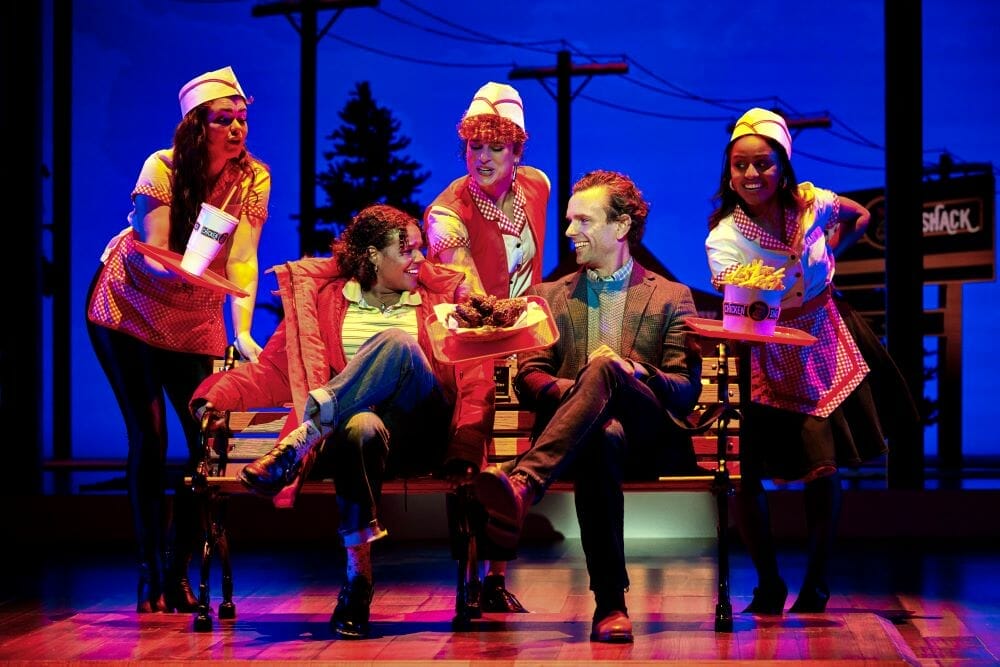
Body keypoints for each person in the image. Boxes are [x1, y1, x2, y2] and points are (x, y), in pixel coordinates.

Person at [188, 204, 495, 640]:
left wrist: (465, 448)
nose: (420, 259)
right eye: (407, 250)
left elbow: (476, 379)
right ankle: (357, 578)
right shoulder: (326, 302)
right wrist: (212, 397)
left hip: (420, 430)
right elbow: (274, 372)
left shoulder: (440, 302)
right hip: (356, 440)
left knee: (397, 343)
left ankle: (304, 436)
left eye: (421, 249)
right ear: (372, 256)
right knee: (360, 425)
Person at [473, 170, 705, 643]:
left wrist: (629, 372)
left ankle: (524, 483)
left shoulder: (671, 296)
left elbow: (685, 389)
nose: (568, 231)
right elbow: (530, 376)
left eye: (583, 220)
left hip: (649, 441)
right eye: (568, 220)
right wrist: (585, 396)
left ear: (621, 226)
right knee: (601, 432)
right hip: (585, 445)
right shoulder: (549, 296)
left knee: (606, 370)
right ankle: (610, 605)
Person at [705, 107, 917, 615]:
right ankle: (769, 584)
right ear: (729, 173)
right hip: (763, 350)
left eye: (763, 163)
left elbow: (860, 215)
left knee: (822, 466)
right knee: (746, 472)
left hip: (821, 340)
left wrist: (831, 251)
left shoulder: (811, 204)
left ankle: (817, 583)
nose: (751, 174)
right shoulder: (725, 237)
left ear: (783, 166)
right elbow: (738, 300)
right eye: (740, 165)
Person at [85, 65, 270, 614]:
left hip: (193, 315)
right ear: (196, 126)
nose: (236, 129)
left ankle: (178, 570)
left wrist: (242, 330)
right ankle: (148, 574)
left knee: (203, 444)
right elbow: (155, 253)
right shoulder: (162, 167)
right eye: (223, 119)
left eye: (242, 119)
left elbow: (242, 259)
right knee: (150, 435)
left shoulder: (252, 178)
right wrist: (195, 274)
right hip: (132, 305)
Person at [424, 81, 550, 614]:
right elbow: (468, 296)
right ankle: (467, 576)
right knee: (472, 448)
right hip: (473, 343)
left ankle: (497, 576)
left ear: (518, 149)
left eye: (496, 146)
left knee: (513, 455)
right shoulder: (447, 213)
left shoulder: (537, 186)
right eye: (475, 146)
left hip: (527, 342)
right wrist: (509, 332)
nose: (483, 157)